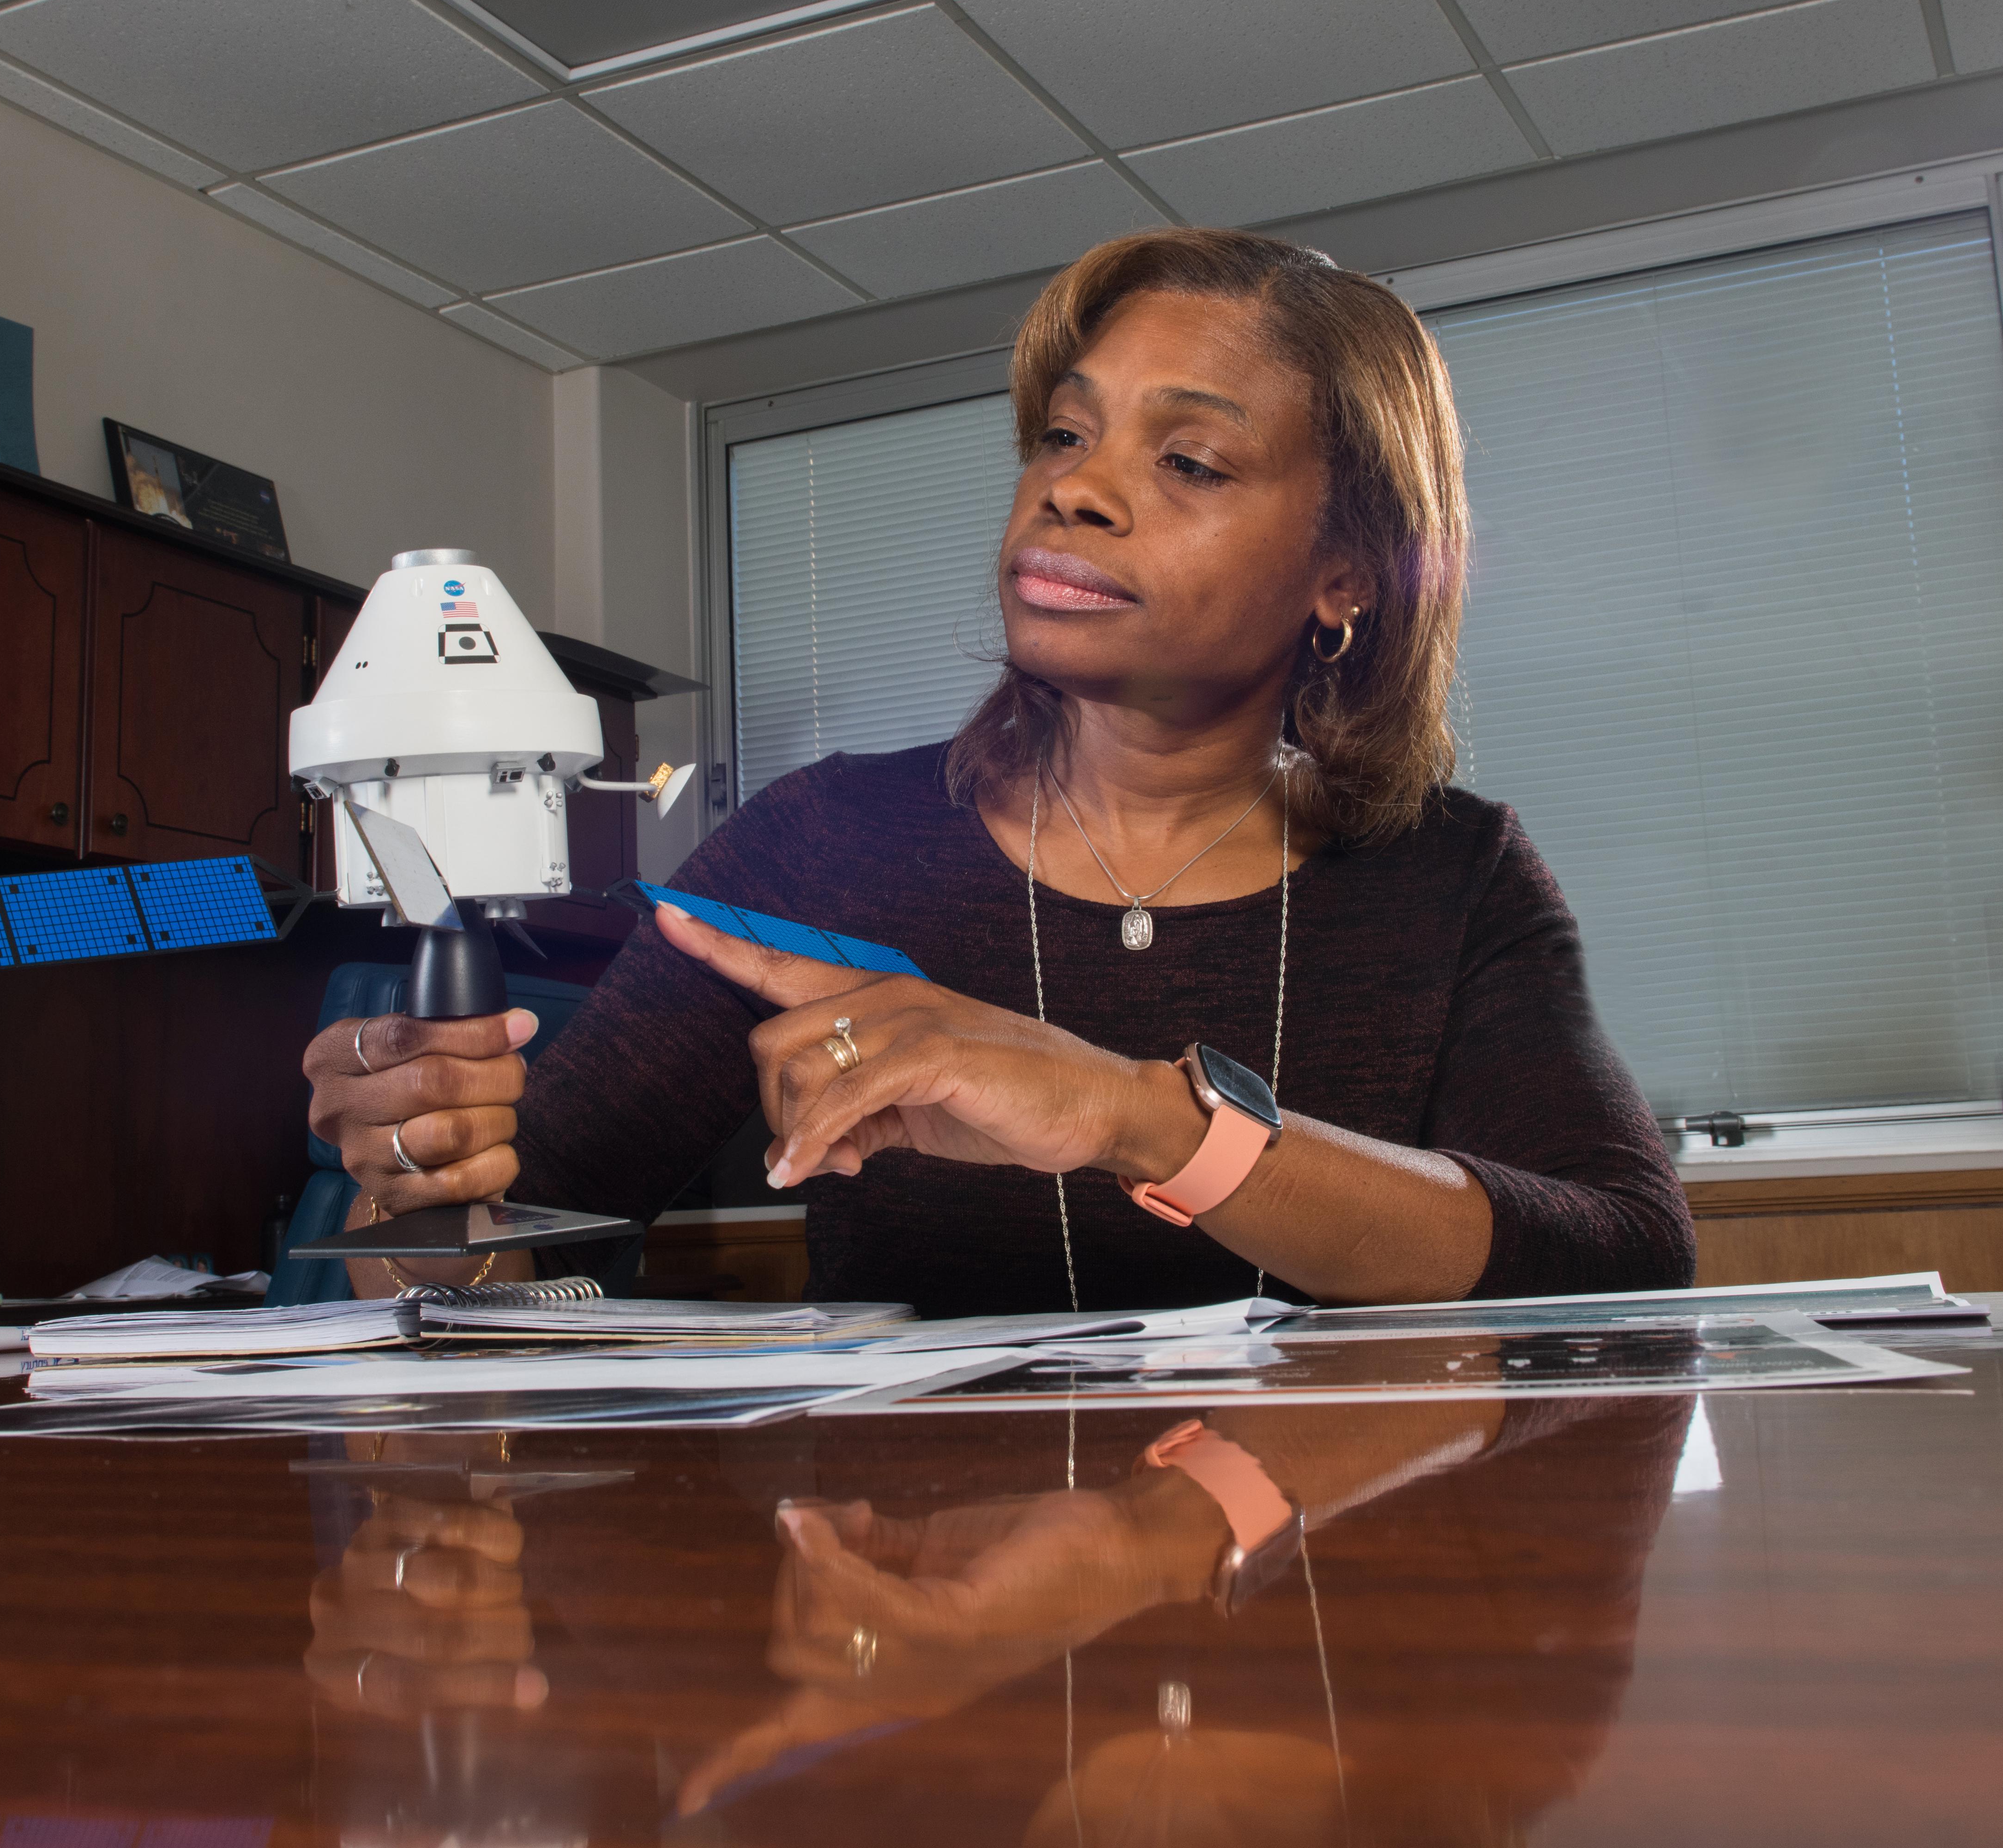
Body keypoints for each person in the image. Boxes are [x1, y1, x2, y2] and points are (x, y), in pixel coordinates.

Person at [305, 228, 1694, 1315]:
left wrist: (1137, 1116)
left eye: (1191, 458)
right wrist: (413, 1188)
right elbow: (494, 1269)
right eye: (1064, 433)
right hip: (922, 1621)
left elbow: (1628, 1258)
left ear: (1344, 573)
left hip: (1319, 1638)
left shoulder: (1451, 877)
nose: (1071, 488)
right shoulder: (820, 844)